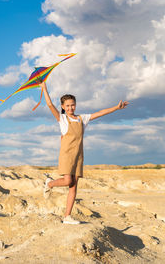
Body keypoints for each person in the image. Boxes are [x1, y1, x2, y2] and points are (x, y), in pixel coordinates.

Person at [38, 81, 129, 224]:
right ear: (63, 107)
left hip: (78, 156)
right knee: (68, 181)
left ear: (75, 104)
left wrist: (116, 108)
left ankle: (67, 216)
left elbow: (99, 113)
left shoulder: (82, 118)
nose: (70, 107)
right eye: (67, 105)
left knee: (73, 186)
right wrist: (44, 88)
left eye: (72, 104)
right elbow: (50, 105)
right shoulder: (62, 119)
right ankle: (50, 184)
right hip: (67, 155)